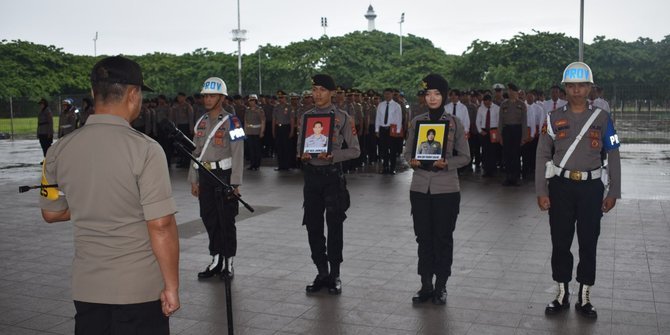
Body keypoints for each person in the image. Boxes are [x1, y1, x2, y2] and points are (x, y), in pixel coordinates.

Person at [39, 56, 180, 333]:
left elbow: (51, 211)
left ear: (94, 93)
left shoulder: (58, 150)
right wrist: (172, 287)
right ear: (133, 94)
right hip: (138, 290)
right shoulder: (146, 150)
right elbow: (161, 226)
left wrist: (88, 203)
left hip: (87, 289)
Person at [536, 62, 621, 319]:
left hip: (591, 188)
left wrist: (613, 191)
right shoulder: (552, 118)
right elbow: (542, 155)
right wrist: (541, 189)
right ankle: (561, 293)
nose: (576, 90)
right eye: (571, 86)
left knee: (588, 242)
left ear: (589, 88)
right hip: (560, 187)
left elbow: (614, 154)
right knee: (560, 241)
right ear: (565, 88)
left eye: (582, 86)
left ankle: (585, 296)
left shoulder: (603, 118)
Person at [405, 73, 470, 305]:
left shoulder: (454, 123)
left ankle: (441, 285)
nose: (432, 98)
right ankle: (425, 284)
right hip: (420, 188)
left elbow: (465, 156)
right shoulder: (416, 122)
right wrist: (411, 160)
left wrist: (447, 163)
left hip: (446, 189)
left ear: (444, 96)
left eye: (437, 94)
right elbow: (406, 152)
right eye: (428, 94)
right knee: (423, 237)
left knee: (443, 237)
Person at [299, 74, 360, 295]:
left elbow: (355, 150)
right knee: (313, 226)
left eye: (322, 90)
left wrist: (332, 155)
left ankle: (335, 273)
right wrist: (303, 155)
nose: (317, 94)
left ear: (332, 93)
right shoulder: (306, 117)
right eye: (314, 89)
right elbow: (300, 147)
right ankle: (321, 271)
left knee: (335, 226)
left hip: (333, 177)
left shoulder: (342, 117)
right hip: (312, 178)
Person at [189, 77, 245, 280]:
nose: (207, 99)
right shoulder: (201, 122)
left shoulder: (233, 121)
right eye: (205, 95)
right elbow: (194, 153)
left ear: (222, 97)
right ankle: (216, 259)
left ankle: (228, 262)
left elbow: (238, 152)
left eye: (212, 95)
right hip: (205, 175)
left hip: (224, 176)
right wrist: (194, 179)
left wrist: (235, 183)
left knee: (226, 221)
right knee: (209, 218)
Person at [499, 83, 528, 186]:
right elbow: (500, 121)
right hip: (506, 131)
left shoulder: (521, 104)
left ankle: (515, 178)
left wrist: (524, 137)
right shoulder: (504, 104)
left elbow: (524, 122)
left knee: (516, 155)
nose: (510, 92)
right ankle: (508, 177)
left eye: (512, 91)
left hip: (517, 130)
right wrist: (500, 136)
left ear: (516, 92)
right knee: (507, 155)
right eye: (509, 90)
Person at [375, 88, 403, 174]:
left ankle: (392, 168)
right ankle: (385, 167)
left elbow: (399, 119)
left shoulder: (396, 105)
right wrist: (377, 130)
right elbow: (378, 118)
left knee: (393, 150)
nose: (387, 95)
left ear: (392, 94)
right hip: (383, 129)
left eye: (389, 94)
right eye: (385, 94)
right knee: (384, 149)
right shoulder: (380, 105)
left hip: (392, 129)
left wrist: (398, 131)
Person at [476, 95, 501, 177]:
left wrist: (497, 132)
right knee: (485, 151)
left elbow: (499, 121)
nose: (486, 104)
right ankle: (486, 170)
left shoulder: (497, 108)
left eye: (488, 102)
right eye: (485, 103)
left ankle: (493, 169)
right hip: (484, 131)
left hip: (494, 130)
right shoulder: (480, 108)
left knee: (493, 151)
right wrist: (480, 131)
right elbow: (477, 121)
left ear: (491, 101)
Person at [273, 90, 295, 170]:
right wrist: (273, 130)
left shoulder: (289, 107)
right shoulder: (276, 107)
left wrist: (292, 131)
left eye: (282, 97)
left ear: (285, 98)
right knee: (279, 147)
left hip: (286, 128)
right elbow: (274, 119)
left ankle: (287, 165)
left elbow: (292, 120)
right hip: (278, 128)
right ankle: (280, 165)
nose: (280, 99)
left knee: (287, 147)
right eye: (279, 98)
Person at [244, 94, 265, 171]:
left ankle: (257, 164)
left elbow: (263, 121)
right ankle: (252, 164)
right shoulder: (247, 110)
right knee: (251, 149)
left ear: (255, 101)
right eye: (250, 100)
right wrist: (245, 131)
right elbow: (245, 121)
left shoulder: (259, 110)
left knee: (257, 149)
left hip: (257, 131)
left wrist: (262, 131)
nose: (251, 102)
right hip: (249, 131)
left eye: (253, 100)